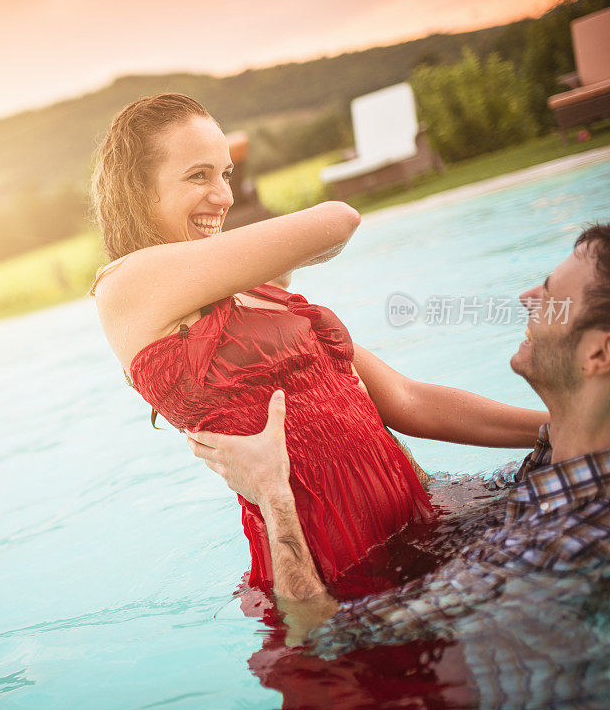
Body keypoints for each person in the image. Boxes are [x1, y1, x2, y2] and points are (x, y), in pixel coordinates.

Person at [91, 93, 546, 595]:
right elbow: (338, 219)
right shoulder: (126, 285)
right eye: (199, 176)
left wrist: (558, 430)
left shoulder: (254, 291)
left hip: (422, 518)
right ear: (136, 189)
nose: (223, 196)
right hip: (336, 568)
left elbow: (405, 399)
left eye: (225, 174)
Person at [186, 223, 610, 705]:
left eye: (553, 296)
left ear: (599, 352)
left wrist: (272, 495)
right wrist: (357, 422)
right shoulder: (556, 466)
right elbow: (449, 492)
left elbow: (321, 636)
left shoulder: (564, 545)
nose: (527, 296)